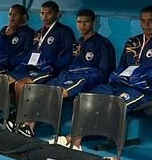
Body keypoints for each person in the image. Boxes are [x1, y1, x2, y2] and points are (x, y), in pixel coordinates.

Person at [62, 5, 152, 148]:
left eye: (151, 21)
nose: (146, 25)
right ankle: (76, 144)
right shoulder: (132, 42)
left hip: (139, 91)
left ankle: (72, 139)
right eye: (143, 21)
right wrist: (115, 75)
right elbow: (123, 65)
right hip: (117, 85)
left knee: (113, 106)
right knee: (84, 99)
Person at [17, 8, 115, 136]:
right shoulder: (78, 43)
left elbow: (104, 72)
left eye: (86, 22)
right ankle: (25, 125)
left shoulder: (103, 44)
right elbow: (71, 63)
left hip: (86, 80)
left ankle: (29, 127)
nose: (82, 25)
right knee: (41, 89)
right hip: (69, 75)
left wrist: (84, 74)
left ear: (93, 23)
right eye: (79, 22)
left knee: (53, 92)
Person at [6, 0, 76, 105]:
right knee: (5, 81)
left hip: (48, 70)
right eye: (42, 13)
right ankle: (18, 111)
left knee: (20, 85)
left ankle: (20, 117)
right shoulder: (39, 32)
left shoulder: (64, 31)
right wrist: (22, 66)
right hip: (33, 67)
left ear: (57, 14)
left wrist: (55, 65)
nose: (45, 17)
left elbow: (71, 53)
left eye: (48, 13)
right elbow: (33, 51)